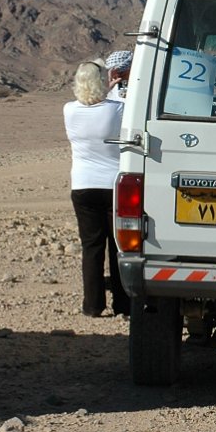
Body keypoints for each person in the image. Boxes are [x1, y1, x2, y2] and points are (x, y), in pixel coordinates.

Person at [63, 58, 131, 318]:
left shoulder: (69, 110)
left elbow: (91, 103)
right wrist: (111, 88)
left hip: (82, 186)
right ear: (102, 81)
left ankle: (92, 305)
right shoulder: (118, 108)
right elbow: (118, 107)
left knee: (92, 248)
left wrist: (105, 88)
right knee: (117, 246)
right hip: (113, 185)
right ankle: (123, 304)